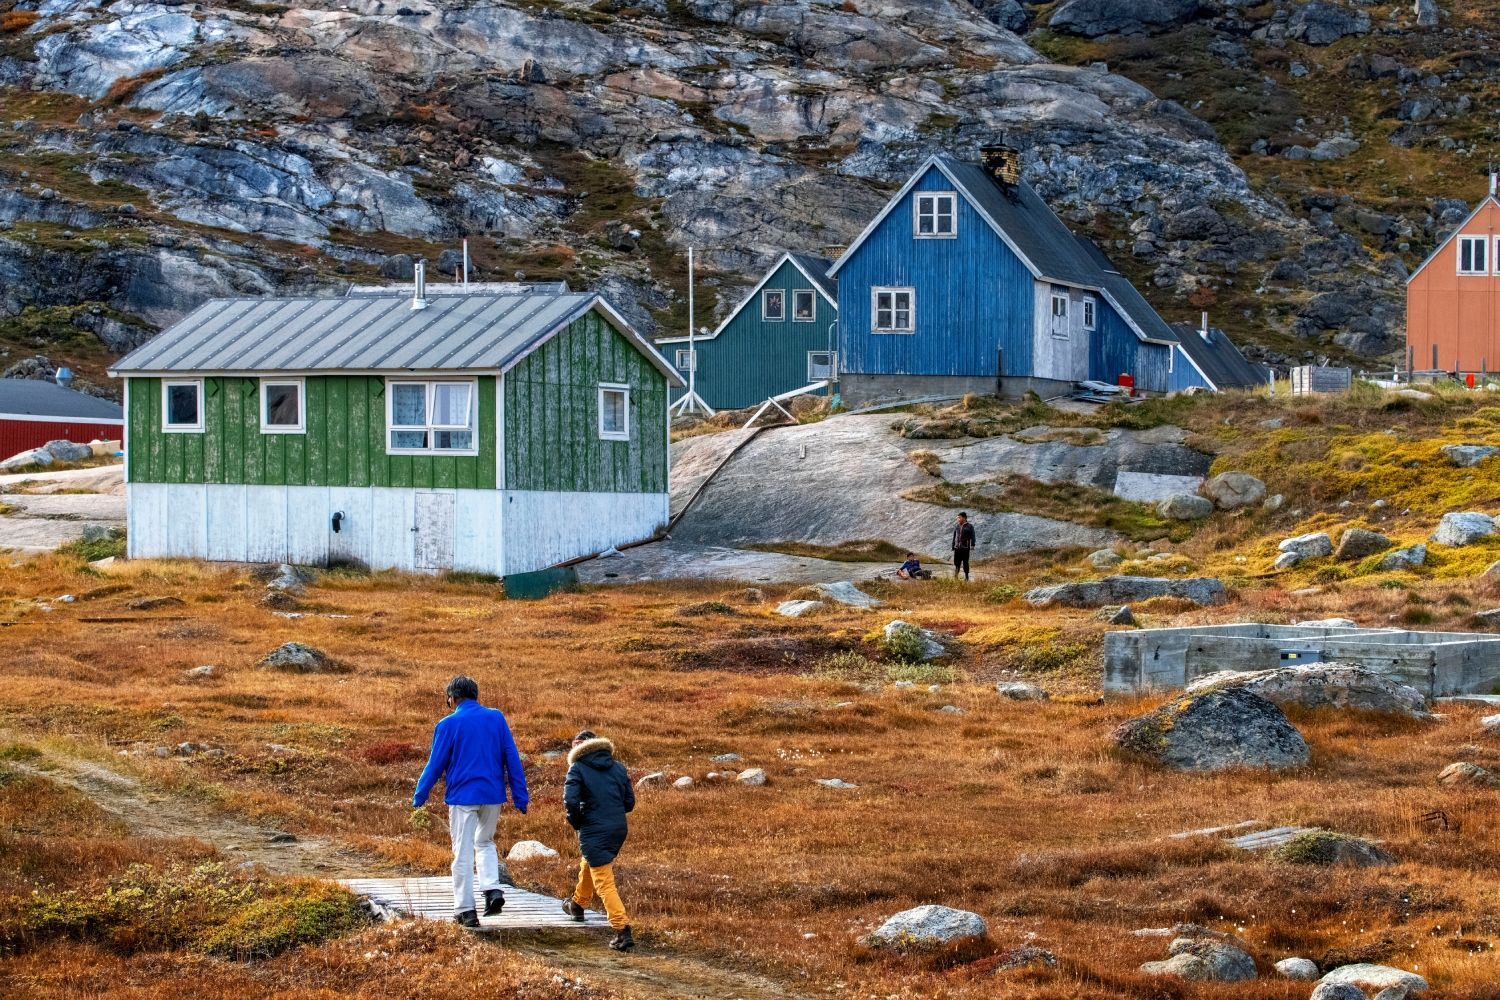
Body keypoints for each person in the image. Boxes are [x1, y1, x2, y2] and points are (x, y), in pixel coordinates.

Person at [412, 675, 529, 928]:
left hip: (463, 797)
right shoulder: (496, 718)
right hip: (492, 795)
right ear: (475, 695)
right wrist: (520, 796)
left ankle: (466, 910)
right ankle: (492, 890)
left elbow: (435, 764)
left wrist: (420, 794)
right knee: (485, 842)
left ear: (452, 698)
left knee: (462, 852)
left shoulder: (447, 724)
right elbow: (512, 757)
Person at [560, 729, 636, 952]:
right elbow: (629, 803)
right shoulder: (618, 767)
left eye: (575, 745)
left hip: (593, 828)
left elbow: (570, 802)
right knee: (591, 863)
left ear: (582, 747)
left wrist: (578, 822)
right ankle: (577, 904)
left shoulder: (577, 768)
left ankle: (622, 930)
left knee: (603, 880)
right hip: (618, 828)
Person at [951, 512, 977, 581]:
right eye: (958, 518)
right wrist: (953, 545)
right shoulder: (957, 526)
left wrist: (973, 544)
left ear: (964, 518)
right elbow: (954, 536)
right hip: (957, 548)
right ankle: (956, 576)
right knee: (957, 563)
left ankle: (966, 577)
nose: (958, 519)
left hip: (965, 548)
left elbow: (973, 536)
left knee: (965, 562)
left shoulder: (970, 526)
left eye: (959, 517)